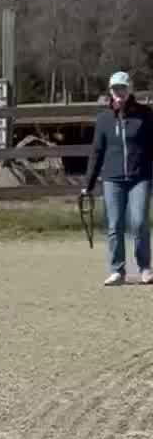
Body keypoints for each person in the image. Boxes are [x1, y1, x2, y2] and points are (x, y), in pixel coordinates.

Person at [84, 71, 153, 285]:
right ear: (110, 91)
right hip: (112, 179)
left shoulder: (145, 115)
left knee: (139, 222)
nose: (119, 93)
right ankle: (117, 270)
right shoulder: (104, 119)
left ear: (129, 89)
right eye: (115, 89)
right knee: (114, 225)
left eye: (123, 88)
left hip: (140, 177)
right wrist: (88, 184)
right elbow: (97, 151)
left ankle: (145, 268)